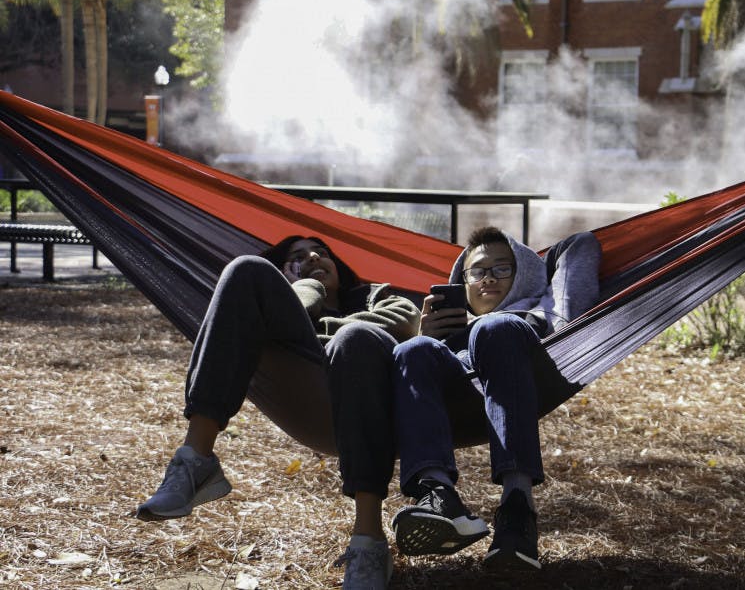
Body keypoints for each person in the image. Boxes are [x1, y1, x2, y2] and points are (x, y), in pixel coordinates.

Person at [135, 235, 419, 590]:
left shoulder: (372, 295)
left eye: (323, 253)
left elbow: (406, 320)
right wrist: (304, 288)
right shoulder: (284, 305)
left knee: (357, 338)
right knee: (246, 269)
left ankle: (368, 540)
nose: (314, 256)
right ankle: (194, 459)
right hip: (308, 380)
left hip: (372, 391)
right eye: (299, 257)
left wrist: (329, 330)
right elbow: (290, 312)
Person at [389, 226, 601, 571]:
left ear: (524, 272)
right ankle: (439, 495)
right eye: (477, 271)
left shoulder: (544, 307)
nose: (488, 279)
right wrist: (427, 335)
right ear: (462, 282)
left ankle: (518, 507)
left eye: (502, 268)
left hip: (517, 359)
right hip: (459, 378)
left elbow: (581, 244)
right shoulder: (450, 331)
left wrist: (535, 267)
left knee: (494, 326)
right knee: (411, 349)